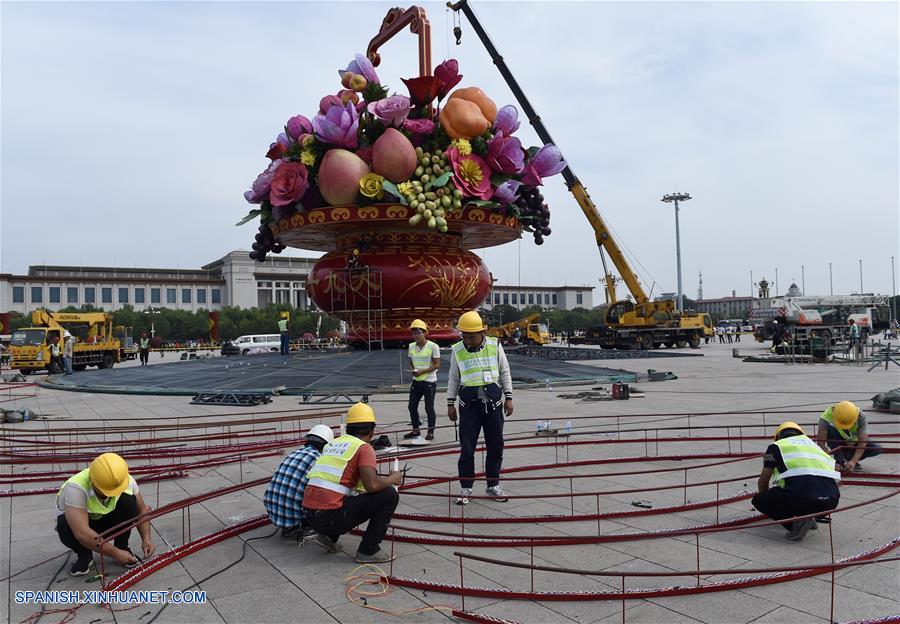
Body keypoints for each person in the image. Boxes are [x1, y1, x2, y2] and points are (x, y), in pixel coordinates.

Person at [303, 403, 403, 563]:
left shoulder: (333, 444)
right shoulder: (364, 448)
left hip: (310, 517)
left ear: (348, 428)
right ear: (371, 431)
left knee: (340, 498)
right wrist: (393, 478)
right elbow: (371, 486)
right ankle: (368, 551)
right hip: (330, 518)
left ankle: (328, 536)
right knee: (389, 495)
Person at [447, 310, 513, 505]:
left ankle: (493, 485)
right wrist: (450, 403)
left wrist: (509, 397)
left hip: (493, 404)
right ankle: (466, 488)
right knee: (467, 448)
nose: (468, 340)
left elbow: (504, 372)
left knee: (496, 446)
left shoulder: (495, 345)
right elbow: (453, 378)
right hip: (469, 406)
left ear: (483, 332)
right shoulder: (457, 350)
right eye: (464, 336)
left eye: (472, 336)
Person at [56, 453, 156, 576]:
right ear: (92, 481)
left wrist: (146, 539)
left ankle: (122, 546)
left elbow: (141, 511)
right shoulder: (75, 489)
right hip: (83, 526)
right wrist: (114, 553)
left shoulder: (123, 479)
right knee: (64, 526)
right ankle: (84, 554)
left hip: (107, 520)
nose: (110, 495)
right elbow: (81, 532)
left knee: (129, 503)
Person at [751, 421, 841, 542]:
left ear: (778, 437)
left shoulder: (774, 447)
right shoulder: (815, 446)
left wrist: (769, 504)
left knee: (758, 500)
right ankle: (810, 518)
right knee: (806, 494)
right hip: (830, 501)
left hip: (800, 498)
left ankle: (796, 524)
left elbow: (763, 481)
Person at [264, 424, 334, 539]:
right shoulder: (319, 460)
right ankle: (303, 526)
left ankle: (290, 526)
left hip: (272, 510)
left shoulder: (294, 453)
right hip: (293, 515)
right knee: (328, 494)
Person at [817, 400, 881, 471]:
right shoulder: (826, 417)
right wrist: (830, 463)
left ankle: (850, 459)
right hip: (837, 441)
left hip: (854, 443)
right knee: (830, 430)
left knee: (876, 448)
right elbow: (821, 443)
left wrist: (853, 461)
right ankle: (840, 460)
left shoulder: (860, 416)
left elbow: (862, 443)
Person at [406, 319, 441, 441]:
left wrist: (422, 371)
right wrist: (413, 370)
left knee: (429, 407)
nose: (416, 335)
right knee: (412, 406)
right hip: (416, 380)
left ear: (425, 332)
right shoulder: (411, 346)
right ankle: (416, 430)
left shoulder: (433, 346)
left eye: (418, 332)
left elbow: (437, 365)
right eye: (413, 333)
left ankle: (431, 431)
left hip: (429, 381)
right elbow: (410, 362)